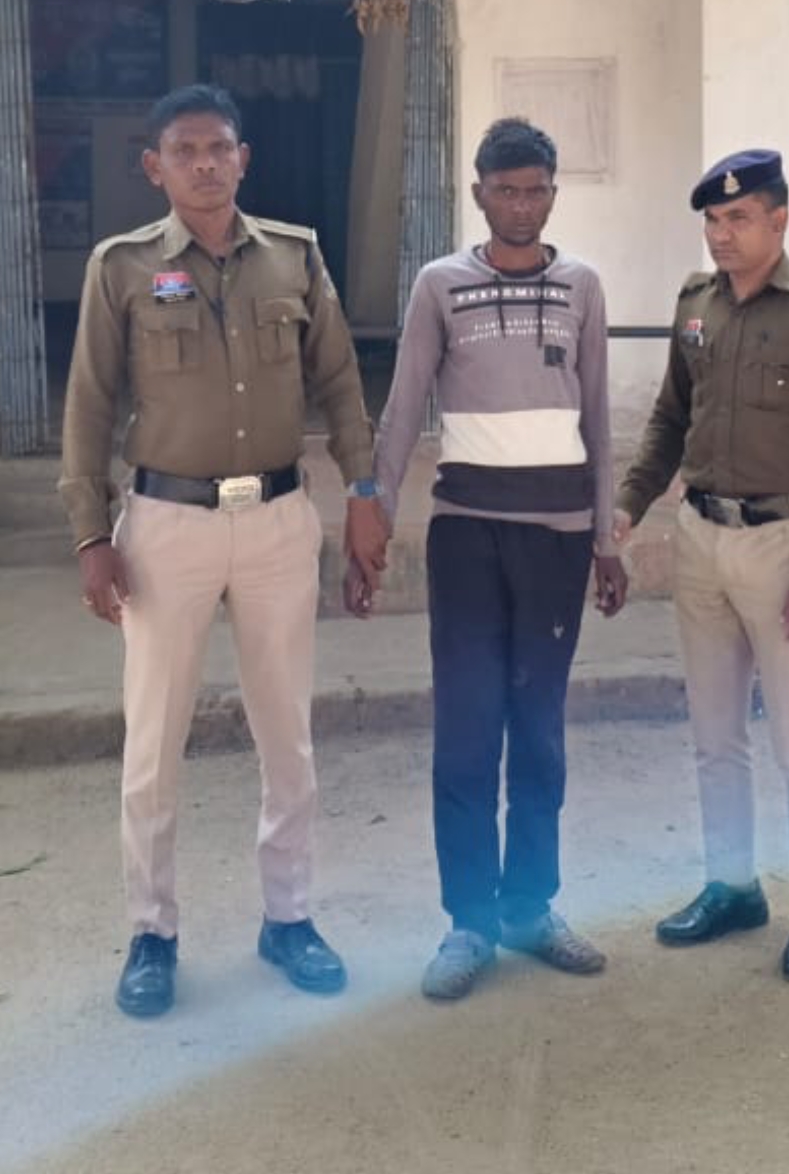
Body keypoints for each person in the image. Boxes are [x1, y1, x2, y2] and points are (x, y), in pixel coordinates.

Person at [58, 84, 388, 1017]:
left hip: (278, 521)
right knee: (153, 740)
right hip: (166, 527)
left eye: (219, 148)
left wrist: (364, 495)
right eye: (184, 150)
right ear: (153, 166)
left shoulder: (295, 255)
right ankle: (151, 933)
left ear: (244, 158)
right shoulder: (121, 267)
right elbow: (89, 405)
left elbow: (339, 383)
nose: (204, 164)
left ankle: (289, 917)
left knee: (286, 732)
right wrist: (90, 534)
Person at [354, 117, 628, 1000]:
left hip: (556, 542)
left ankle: (529, 907)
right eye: (504, 190)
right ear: (477, 193)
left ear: (552, 193)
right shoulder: (440, 285)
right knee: (468, 730)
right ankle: (469, 921)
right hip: (467, 536)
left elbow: (598, 419)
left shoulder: (582, 286)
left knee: (538, 731)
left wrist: (605, 538)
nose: (520, 204)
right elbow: (402, 409)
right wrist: (372, 517)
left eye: (535, 190)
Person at [615, 149, 789, 983]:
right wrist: (629, 503)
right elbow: (668, 418)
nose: (721, 235)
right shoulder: (695, 304)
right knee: (714, 735)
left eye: (739, 218)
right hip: (699, 538)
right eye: (712, 221)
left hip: (780, 545)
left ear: (778, 220)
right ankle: (731, 888)